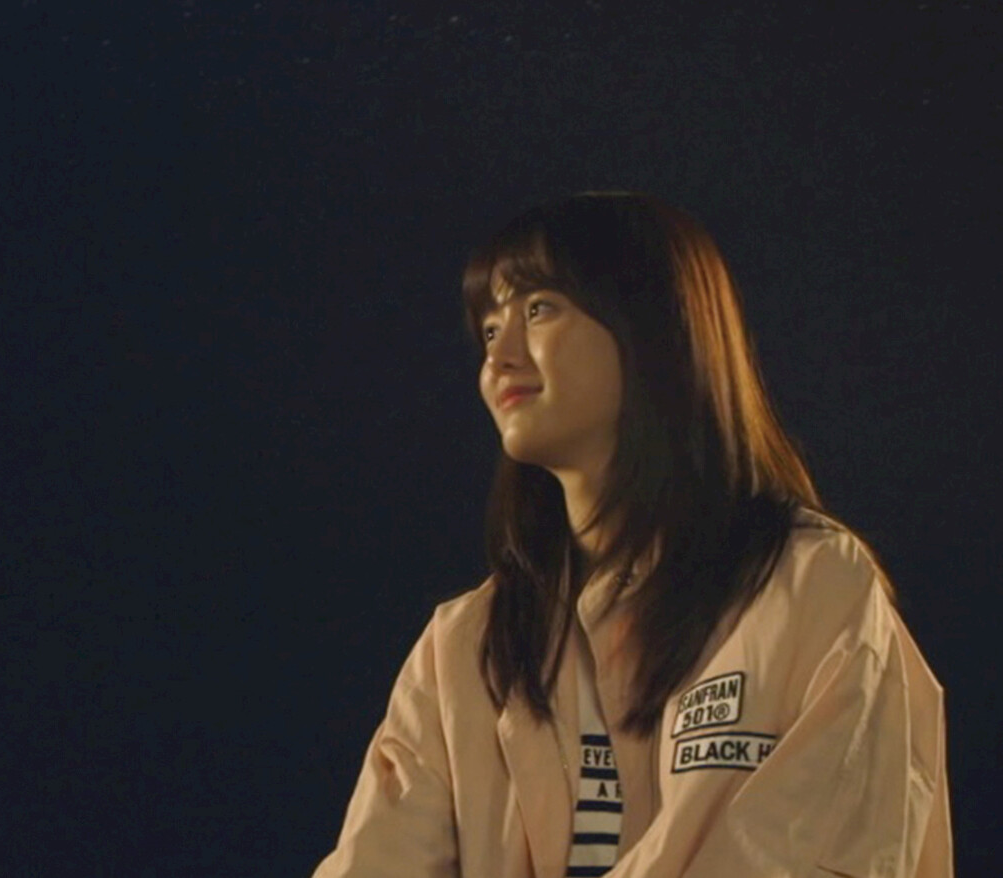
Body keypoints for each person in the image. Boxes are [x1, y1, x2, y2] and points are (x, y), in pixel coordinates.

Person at [312, 193, 951, 877]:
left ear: (656, 327)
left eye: (539, 309)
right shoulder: (462, 649)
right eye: (490, 330)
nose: (500, 359)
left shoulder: (813, 587)